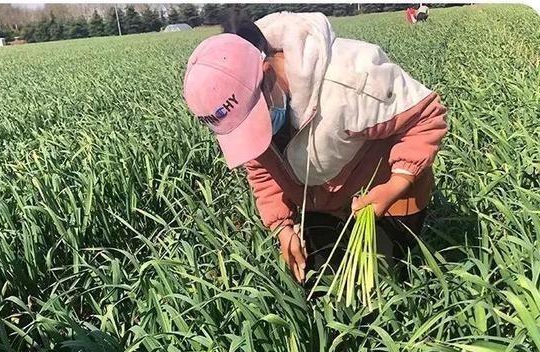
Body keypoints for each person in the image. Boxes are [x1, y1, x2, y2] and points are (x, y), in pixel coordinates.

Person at [183, 11, 447, 284]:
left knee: (384, 281)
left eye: (255, 120)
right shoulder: (249, 110)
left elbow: (426, 116)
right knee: (319, 284)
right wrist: (282, 227)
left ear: (268, 74)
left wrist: (399, 182)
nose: (257, 133)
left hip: (383, 195)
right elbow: (262, 171)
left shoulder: (350, 81)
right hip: (321, 201)